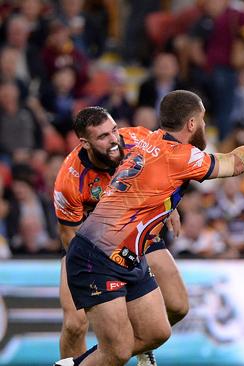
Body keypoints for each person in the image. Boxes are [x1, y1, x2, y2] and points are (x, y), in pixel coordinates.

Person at [55, 90, 244, 366]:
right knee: (116, 350)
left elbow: (148, 177)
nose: (206, 126)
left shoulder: (144, 139)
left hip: (130, 252)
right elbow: (234, 163)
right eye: (203, 121)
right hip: (97, 255)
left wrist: (166, 206)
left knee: (156, 332)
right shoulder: (178, 157)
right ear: (192, 124)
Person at [53, 107, 186, 366]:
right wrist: (106, 276)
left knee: (178, 306)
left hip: (139, 235)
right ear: (85, 143)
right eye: (103, 136)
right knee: (74, 324)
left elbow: (170, 166)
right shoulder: (69, 181)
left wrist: (170, 204)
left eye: (114, 130)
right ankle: (92, 357)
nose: (114, 140)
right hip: (91, 249)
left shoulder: (138, 140)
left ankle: (129, 344)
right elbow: (70, 236)